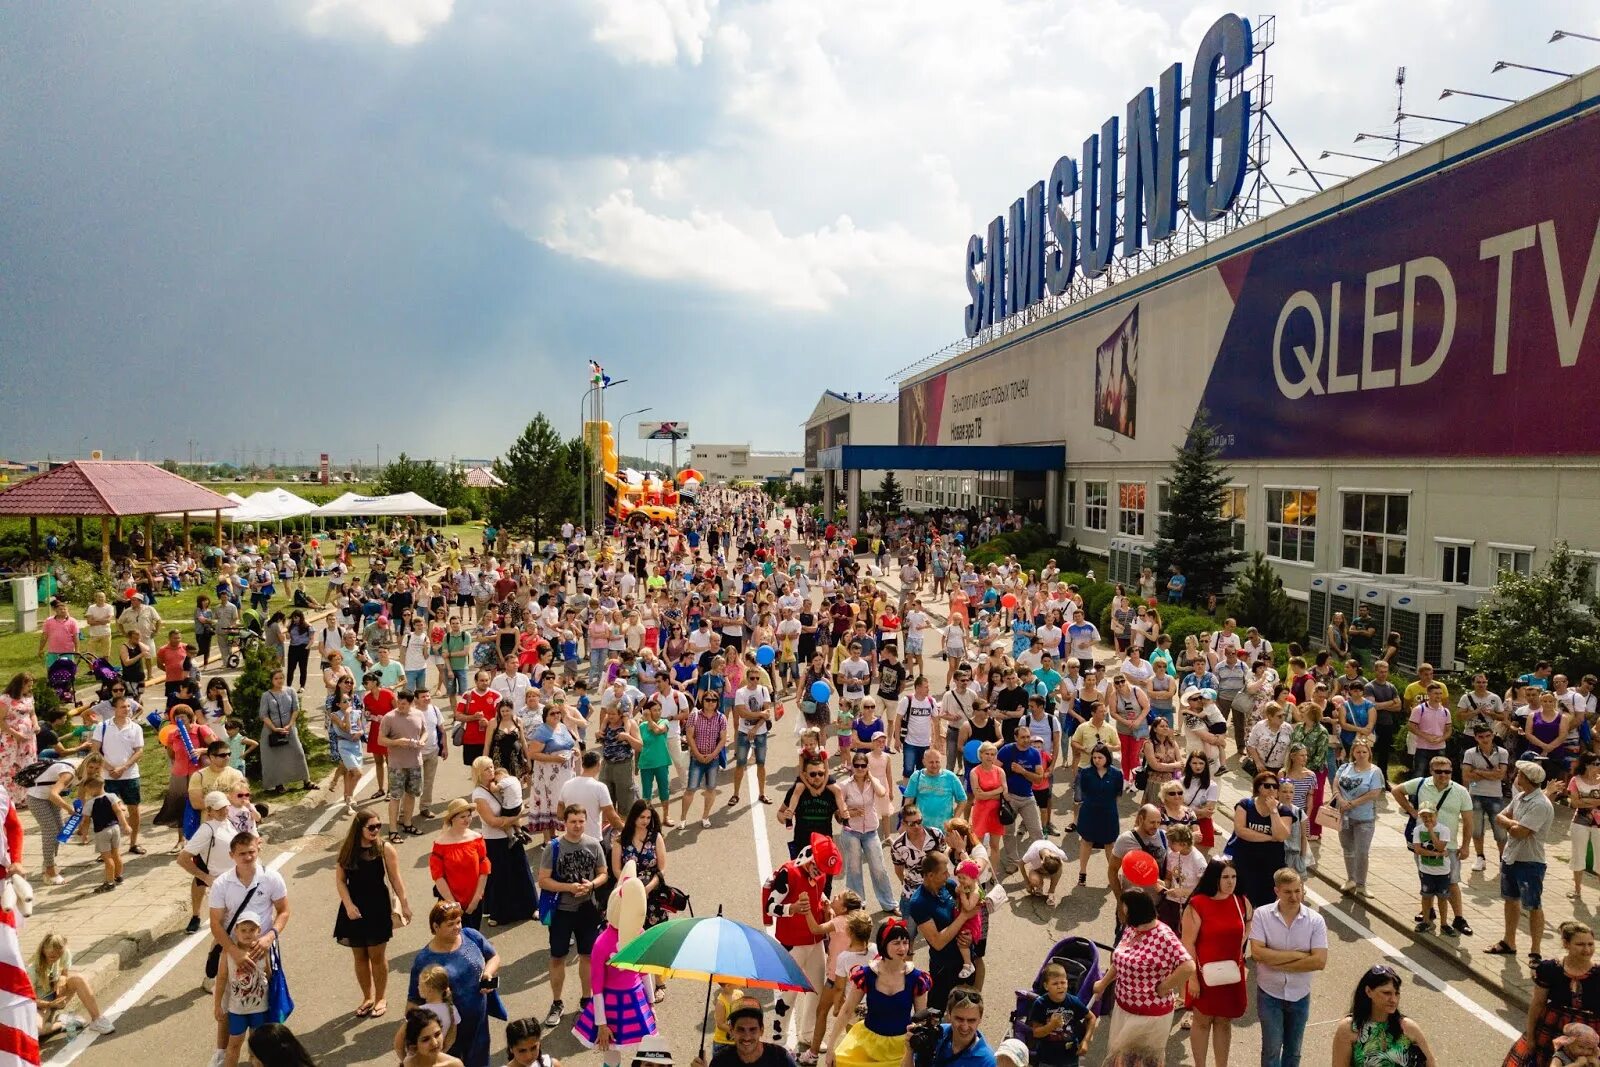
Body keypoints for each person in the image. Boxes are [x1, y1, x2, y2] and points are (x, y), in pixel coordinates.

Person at [208, 832, 291, 1067]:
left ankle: (259, 1056)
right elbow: (215, 922)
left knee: (266, 1003)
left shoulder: (271, 878)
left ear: (258, 850)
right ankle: (222, 1052)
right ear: (232, 855)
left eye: (251, 852)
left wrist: (269, 937)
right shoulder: (222, 883)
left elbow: (284, 911)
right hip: (232, 950)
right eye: (242, 853)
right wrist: (233, 950)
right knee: (227, 1003)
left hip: (263, 950)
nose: (247, 857)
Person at [1093, 891, 1195, 1064]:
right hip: (1124, 1007)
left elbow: (1188, 966)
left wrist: (1164, 987)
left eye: (1125, 909)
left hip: (1150, 1015)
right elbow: (1119, 961)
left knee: (1138, 1062)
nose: (1122, 912)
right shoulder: (1132, 928)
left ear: (1136, 911)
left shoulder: (1164, 936)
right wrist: (1103, 983)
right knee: (1120, 1059)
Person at [763, 833, 842, 1047]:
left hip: (815, 941)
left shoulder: (821, 875)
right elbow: (770, 906)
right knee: (788, 994)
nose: (822, 874)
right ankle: (779, 1039)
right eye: (820, 868)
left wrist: (825, 904)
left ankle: (807, 1034)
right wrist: (792, 909)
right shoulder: (788, 873)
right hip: (792, 944)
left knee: (816, 990)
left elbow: (819, 895)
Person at [401, 902, 502, 1067]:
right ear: (435, 926)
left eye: (459, 922)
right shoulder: (424, 960)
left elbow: (494, 957)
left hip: (478, 1025)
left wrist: (487, 973)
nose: (457, 927)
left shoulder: (470, 935)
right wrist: (413, 1041)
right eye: (450, 924)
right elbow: (414, 1001)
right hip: (449, 1033)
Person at [335, 809, 411, 1019]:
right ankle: (367, 997)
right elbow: (341, 880)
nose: (376, 830)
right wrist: (348, 905)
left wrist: (404, 905)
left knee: (377, 956)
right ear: (359, 828)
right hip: (353, 907)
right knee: (359, 956)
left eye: (378, 826)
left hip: (377, 906)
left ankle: (380, 998)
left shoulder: (384, 848)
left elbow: (396, 879)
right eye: (371, 827)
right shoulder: (348, 849)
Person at [539, 802, 609, 1029]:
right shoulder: (554, 847)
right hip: (561, 912)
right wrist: (568, 888)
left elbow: (603, 874)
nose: (577, 826)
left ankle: (586, 1000)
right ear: (565, 823)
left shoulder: (593, 844)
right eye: (573, 822)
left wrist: (592, 885)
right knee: (558, 957)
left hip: (587, 910)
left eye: (581, 821)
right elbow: (543, 880)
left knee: (587, 956)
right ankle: (557, 1002)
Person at [1247, 868, 1326, 1067]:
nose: (1294, 896)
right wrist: (1299, 957)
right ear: (1277, 892)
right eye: (1288, 892)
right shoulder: (1262, 915)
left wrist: (1273, 959)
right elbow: (1257, 954)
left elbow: (1319, 961)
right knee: (1272, 1050)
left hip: (1300, 995)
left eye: (1298, 891)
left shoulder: (1315, 920)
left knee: (1294, 1051)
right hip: (1269, 994)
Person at [826, 919, 930, 1067]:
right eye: (896, 943)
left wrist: (913, 1054)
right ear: (883, 944)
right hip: (868, 1046)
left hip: (901, 1051)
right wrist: (831, 1048)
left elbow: (921, 1021)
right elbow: (847, 1009)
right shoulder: (867, 974)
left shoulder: (916, 978)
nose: (902, 948)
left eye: (905, 942)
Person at [1390, 754, 1474, 935]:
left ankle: (1458, 918)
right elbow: (1396, 790)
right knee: (1426, 878)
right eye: (1439, 772)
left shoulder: (1460, 791)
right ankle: (1428, 912)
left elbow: (1468, 821)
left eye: (1447, 772)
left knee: (1452, 882)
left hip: (1448, 845)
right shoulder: (1421, 784)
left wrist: (1466, 846)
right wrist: (1412, 811)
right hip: (1423, 843)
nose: (1443, 775)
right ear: (1431, 771)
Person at [1179, 858, 1249, 1067]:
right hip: (1203, 974)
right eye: (1225, 877)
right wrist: (1192, 979)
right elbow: (1188, 944)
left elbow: (1248, 926)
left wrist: (1238, 954)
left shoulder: (1240, 901)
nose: (1230, 882)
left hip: (1230, 974)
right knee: (1202, 1022)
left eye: (1233, 877)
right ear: (1214, 878)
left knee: (1224, 1022)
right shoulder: (1197, 904)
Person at [1489, 760, 1557, 963]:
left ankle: (1535, 951)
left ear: (1527, 779)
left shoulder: (1540, 804)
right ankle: (1509, 941)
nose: (1515, 776)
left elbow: (1520, 832)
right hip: (1511, 857)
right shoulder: (1520, 797)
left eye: (1519, 774)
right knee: (1510, 900)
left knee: (1533, 905)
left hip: (1530, 862)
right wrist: (1511, 823)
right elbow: (1501, 816)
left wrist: (1508, 823)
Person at [1507, 921, 1600, 1066]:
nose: (1587, 950)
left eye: (1590, 944)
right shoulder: (1550, 969)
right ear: (1566, 944)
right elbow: (1537, 1004)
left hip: (1590, 1036)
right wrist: (1531, 1037)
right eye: (1580, 944)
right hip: (1552, 1029)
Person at [902, 852, 981, 1013]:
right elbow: (937, 942)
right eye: (944, 872)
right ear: (930, 875)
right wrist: (965, 916)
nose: (948, 875)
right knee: (935, 1013)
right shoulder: (919, 903)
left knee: (964, 1010)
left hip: (965, 961)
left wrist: (970, 936)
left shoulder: (948, 887)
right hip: (944, 968)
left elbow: (974, 889)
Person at [470, 756, 538, 925]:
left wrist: (518, 813)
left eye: (492, 766)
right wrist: (517, 817)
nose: (491, 771)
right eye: (486, 769)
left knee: (521, 871)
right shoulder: (479, 795)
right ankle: (499, 914)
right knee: (500, 878)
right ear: (479, 773)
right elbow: (492, 821)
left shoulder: (500, 784)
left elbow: (515, 801)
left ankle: (530, 908)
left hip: (511, 836)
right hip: (494, 840)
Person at [1329, 965, 1436, 1067]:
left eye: (1397, 993)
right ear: (1368, 991)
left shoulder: (1408, 1027)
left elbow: (1430, 1062)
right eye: (1386, 993)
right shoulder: (1349, 1028)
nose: (1393, 1000)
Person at [838, 749, 897, 913]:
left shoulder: (873, 783)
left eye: (863, 766)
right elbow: (838, 811)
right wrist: (850, 812)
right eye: (856, 765)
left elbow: (882, 792)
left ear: (867, 767)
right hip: (852, 832)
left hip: (871, 831)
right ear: (852, 766)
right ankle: (856, 905)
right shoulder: (844, 785)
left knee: (879, 868)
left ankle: (889, 904)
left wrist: (871, 776)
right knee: (854, 869)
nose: (860, 768)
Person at [88, 694, 146, 856]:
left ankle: (134, 843)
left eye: (128, 707)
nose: (127, 710)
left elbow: (139, 751)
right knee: (106, 812)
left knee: (134, 809)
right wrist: (110, 768)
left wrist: (123, 767)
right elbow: (95, 750)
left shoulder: (136, 728)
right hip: (107, 776)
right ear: (114, 709)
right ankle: (106, 850)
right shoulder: (102, 726)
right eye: (123, 707)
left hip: (130, 775)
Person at [1225, 771, 1289, 908]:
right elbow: (1241, 831)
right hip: (1245, 862)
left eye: (1275, 786)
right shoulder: (1245, 805)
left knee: (1266, 904)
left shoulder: (1283, 811)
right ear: (1258, 788)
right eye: (1267, 786)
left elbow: (1281, 836)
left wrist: (1273, 811)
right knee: (1243, 901)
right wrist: (1270, 837)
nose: (1272, 789)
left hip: (1271, 865)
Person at [30, 933, 114, 1036]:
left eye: (58, 953)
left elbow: (65, 973)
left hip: (56, 995)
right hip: (41, 1005)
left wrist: (63, 977)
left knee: (78, 979)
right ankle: (63, 1023)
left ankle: (97, 1019)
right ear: (43, 949)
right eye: (51, 953)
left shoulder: (64, 953)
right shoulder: (32, 969)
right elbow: (30, 1000)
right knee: (37, 1030)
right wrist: (50, 1004)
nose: (55, 955)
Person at [1332, 737, 1385, 898]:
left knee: (1362, 851)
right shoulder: (1345, 767)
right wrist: (1341, 800)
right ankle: (1351, 879)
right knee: (1348, 849)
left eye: (1364, 751)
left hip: (1364, 817)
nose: (1361, 754)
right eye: (1358, 751)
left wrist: (1354, 803)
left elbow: (1375, 793)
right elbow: (1335, 784)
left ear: (1369, 753)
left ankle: (1362, 884)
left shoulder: (1374, 771)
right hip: (1344, 815)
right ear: (1353, 752)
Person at [430, 797, 491, 929]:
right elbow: (438, 876)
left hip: (474, 898)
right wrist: (452, 903)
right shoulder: (440, 844)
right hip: (449, 900)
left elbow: (484, 870)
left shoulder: (477, 838)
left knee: (474, 934)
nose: (468, 819)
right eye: (462, 816)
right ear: (452, 819)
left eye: (469, 815)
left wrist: (476, 899)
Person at [527, 702, 583, 841]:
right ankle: (547, 839)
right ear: (545, 716)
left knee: (562, 801)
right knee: (548, 803)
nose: (556, 715)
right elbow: (532, 753)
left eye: (558, 713)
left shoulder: (563, 726)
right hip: (548, 775)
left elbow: (568, 744)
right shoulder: (542, 731)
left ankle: (558, 835)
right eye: (552, 713)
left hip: (565, 773)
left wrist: (573, 751)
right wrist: (554, 758)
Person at [1027, 961, 1096, 1067]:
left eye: (1063, 982)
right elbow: (1036, 1032)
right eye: (1055, 983)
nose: (1060, 986)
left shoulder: (1073, 1002)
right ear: (1046, 986)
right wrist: (1051, 1026)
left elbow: (1091, 1018)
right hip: (1047, 1059)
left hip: (1070, 1058)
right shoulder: (1040, 1004)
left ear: (1067, 983)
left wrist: (1086, 1041)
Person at [691, 1001, 799, 1067]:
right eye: (741, 1030)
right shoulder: (720, 1062)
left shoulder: (781, 1059)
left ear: (762, 1030)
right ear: (731, 1030)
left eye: (753, 1030)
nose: (747, 1037)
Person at [382, 690, 428, 839]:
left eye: (404, 704)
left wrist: (422, 741)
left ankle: (407, 823)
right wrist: (396, 742)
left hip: (415, 762)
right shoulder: (389, 718)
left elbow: (425, 732)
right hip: (397, 765)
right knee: (395, 797)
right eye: (399, 703)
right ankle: (393, 830)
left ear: (411, 703)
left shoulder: (419, 714)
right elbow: (380, 740)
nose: (400, 706)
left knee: (411, 795)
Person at [1075, 745, 1124, 886]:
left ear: (1107, 758)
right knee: (1086, 841)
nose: (1096, 760)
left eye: (1100, 757)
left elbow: (1117, 794)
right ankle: (1082, 873)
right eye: (1094, 757)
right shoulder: (1086, 773)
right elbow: (1083, 791)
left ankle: (1112, 874)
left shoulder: (1116, 774)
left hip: (1109, 813)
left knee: (1110, 843)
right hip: (1089, 812)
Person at [258, 669, 312, 795]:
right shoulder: (266, 695)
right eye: (276, 678)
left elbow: (296, 708)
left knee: (298, 753)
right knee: (275, 758)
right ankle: (279, 784)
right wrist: (274, 728)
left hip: (289, 728)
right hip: (272, 730)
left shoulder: (291, 691)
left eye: (281, 678)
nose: (279, 680)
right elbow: (263, 715)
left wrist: (291, 724)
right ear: (272, 680)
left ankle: (306, 780)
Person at [681, 693, 728, 829]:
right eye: (708, 700)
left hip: (713, 759)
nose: (711, 703)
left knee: (711, 788)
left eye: (714, 700)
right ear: (703, 701)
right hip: (697, 759)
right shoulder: (694, 716)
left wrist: (713, 754)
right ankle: (683, 818)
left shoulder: (721, 718)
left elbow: (723, 739)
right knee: (690, 789)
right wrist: (697, 754)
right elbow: (689, 736)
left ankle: (705, 816)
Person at [903, 747, 967, 839]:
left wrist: (953, 820)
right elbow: (908, 801)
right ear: (924, 762)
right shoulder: (917, 776)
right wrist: (906, 822)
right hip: (920, 829)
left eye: (937, 762)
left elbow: (962, 800)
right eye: (931, 762)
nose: (935, 765)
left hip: (944, 831)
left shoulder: (950, 777)